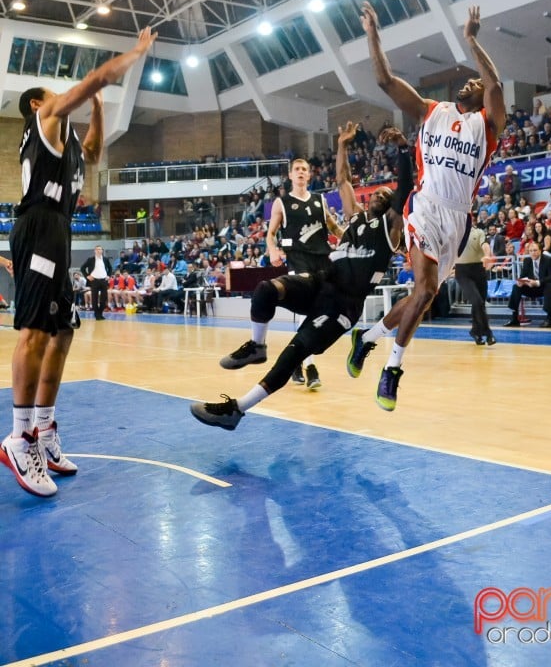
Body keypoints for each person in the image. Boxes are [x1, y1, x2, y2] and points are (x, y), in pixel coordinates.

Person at [0, 26, 156, 498]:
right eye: (53, 93)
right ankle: (18, 435)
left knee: (63, 330)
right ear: (36, 104)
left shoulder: (68, 145)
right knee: (34, 332)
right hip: (39, 225)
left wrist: (100, 109)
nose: (58, 95)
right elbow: (92, 79)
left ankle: (44, 430)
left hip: (60, 231)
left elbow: (93, 150)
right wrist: (135, 54)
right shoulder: (44, 118)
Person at [190, 122, 412, 430]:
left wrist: (402, 149)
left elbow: (404, 190)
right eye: (376, 192)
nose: (377, 192)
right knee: (266, 289)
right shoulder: (356, 219)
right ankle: (257, 346)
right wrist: (342, 145)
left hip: (341, 307)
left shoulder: (389, 229)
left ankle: (236, 409)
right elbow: (343, 179)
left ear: (388, 205)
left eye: (383, 193)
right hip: (321, 282)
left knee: (293, 354)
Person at [347, 3, 505, 411]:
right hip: (426, 205)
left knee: (423, 294)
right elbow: (384, 80)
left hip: (458, 217)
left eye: (476, 81)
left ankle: (367, 338)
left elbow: (496, 86)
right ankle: (392, 369)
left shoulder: (487, 126)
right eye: (468, 80)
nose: (472, 82)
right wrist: (373, 32)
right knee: (428, 288)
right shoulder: (431, 111)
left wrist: (471, 38)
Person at [217, 155, 342, 390]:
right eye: (297, 169)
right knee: (306, 311)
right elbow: (271, 233)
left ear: (309, 174)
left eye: (305, 169)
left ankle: (297, 360)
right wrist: (273, 250)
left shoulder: (320, 200)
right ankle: (309, 365)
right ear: (291, 175)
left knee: (316, 315)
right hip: (298, 261)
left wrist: (354, 239)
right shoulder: (281, 203)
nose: (301, 172)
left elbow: (334, 227)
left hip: (323, 264)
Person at [454, 223, 496, 346]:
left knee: (480, 303)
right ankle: (488, 333)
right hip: (462, 272)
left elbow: (485, 244)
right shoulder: (454, 233)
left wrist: (487, 256)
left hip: (479, 270)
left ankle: (475, 331)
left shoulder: (478, 232)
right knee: (477, 301)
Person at [504, 240, 551, 327]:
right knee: (516, 287)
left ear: (540, 251)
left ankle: (549, 318)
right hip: (534, 287)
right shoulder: (527, 260)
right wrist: (522, 282)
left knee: (548, 286)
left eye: (535, 250)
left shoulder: (548, 260)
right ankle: (514, 318)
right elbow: (523, 275)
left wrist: (537, 282)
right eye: (531, 251)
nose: (533, 253)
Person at [81, 244, 112, 320]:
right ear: (94, 251)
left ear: (102, 251)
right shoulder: (90, 259)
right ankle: (97, 314)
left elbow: (110, 268)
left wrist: (108, 275)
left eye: (100, 249)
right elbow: (82, 268)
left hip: (104, 280)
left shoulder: (105, 259)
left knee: (104, 298)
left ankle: (100, 313)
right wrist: (87, 276)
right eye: (97, 249)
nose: (99, 250)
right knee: (94, 298)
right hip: (94, 281)